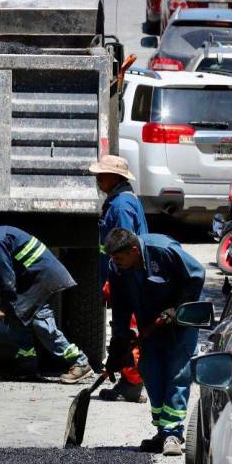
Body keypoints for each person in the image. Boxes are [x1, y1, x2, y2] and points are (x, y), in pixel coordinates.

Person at [0, 211, 95, 384]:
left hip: (42, 279)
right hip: (33, 278)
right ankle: (25, 366)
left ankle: (79, 362)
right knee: (17, 319)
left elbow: (7, 279)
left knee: (41, 322)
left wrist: (3, 307)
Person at [102, 229, 204, 457]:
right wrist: (119, 340)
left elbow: (196, 275)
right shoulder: (116, 267)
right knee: (150, 369)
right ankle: (162, 430)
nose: (114, 263)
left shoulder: (163, 250)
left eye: (119, 258)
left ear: (134, 251)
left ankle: (173, 434)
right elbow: (120, 303)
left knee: (177, 373)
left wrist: (177, 309)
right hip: (151, 325)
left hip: (181, 321)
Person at [89, 154, 148, 403]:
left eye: (101, 175)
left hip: (126, 278)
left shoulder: (121, 206)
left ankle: (132, 384)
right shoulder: (121, 201)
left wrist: (112, 281)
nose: (97, 180)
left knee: (127, 330)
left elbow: (123, 247)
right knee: (124, 329)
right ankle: (129, 380)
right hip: (123, 276)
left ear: (114, 178)